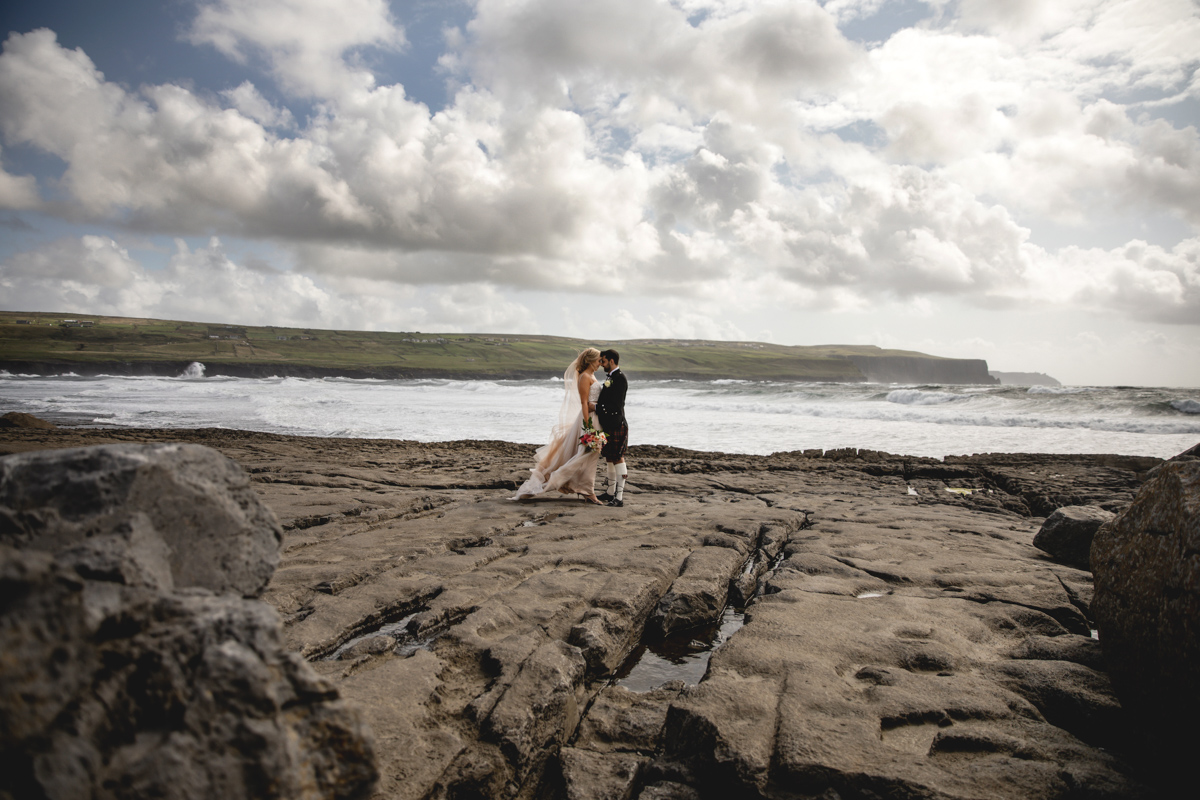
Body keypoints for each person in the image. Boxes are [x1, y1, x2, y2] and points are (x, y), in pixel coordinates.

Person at [512, 347, 604, 504]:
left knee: (590, 455)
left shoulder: (593, 375)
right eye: (598, 361)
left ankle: (584, 488)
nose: (600, 364)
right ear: (590, 361)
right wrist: (587, 424)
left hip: (595, 418)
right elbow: (583, 401)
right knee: (586, 453)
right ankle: (575, 486)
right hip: (588, 419)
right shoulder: (585, 377)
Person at [595, 349, 629, 507]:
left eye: (603, 361)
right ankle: (610, 493)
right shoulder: (611, 377)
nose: (601, 364)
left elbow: (614, 405)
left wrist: (595, 408)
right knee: (609, 457)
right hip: (608, 424)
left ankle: (619, 498)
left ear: (612, 361)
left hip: (616, 423)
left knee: (617, 457)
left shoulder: (620, 378)